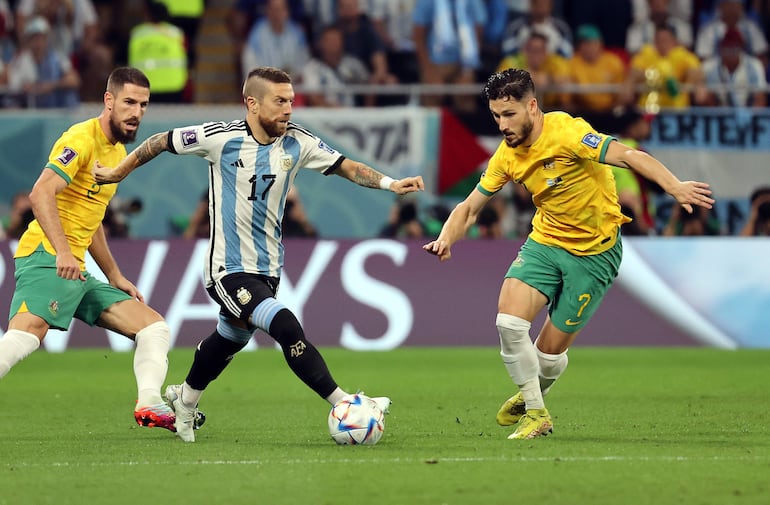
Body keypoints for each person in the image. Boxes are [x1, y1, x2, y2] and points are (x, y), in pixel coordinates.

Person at [92, 66, 425, 442]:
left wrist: (390, 183)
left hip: (268, 268)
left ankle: (184, 401)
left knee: (230, 338)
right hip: (227, 269)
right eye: (280, 101)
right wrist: (119, 171)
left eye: (291, 101)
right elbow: (160, 141)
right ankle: (345, 403)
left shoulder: (299, 142)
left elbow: (347, 166)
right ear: (252, 103)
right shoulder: (219, 138)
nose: (288, 110)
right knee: (285, 326)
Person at [423, 68, 714, 440]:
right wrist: (447, 236)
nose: (502, 125)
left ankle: (534, 392)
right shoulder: (507, 155)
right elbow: (470, 207)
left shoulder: (569, 132)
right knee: (509, 324)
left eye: (509, 114)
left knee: (546, 357)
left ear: (532, 107)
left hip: (595, 254)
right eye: (496, 116)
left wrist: (674, 186)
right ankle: (537, 413)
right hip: (546, 243)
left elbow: (627, 155)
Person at [0, 67, 180, 434]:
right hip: (47, 256)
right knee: (27, 333)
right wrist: (64, 252)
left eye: (143, 105)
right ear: (109, 101)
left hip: (75, 268)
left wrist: (114, 275)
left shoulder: (116, 153)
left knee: (153, 327)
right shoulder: (80, 138)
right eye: (129, 102)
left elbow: (91, 218)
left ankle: (149, 403)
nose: (137, 112)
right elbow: (40, 193)